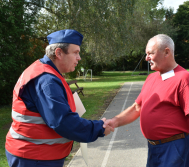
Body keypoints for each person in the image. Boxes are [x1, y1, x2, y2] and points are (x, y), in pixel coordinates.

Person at [5, 29, 113, 167]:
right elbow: (63, 122)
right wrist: (99, 128)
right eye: (75, 53)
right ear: (59, 53)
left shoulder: (46, 71)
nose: (79, 58)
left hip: (35, 154)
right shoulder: (47, 80)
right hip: (35, 157)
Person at [106, 34, 189, 167]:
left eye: (150, 53)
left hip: (173, 148)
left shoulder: (184, 79)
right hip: (153, 147)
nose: (146, 58)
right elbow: (137, 107)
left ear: (166, 52)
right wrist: (114, 122)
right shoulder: (151, 78)